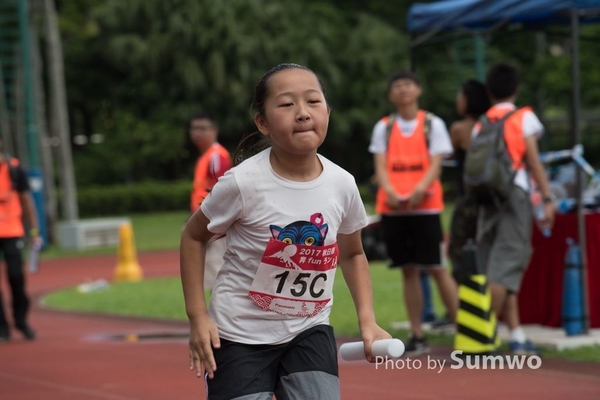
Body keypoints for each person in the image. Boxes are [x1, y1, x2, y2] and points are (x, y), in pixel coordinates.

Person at [180, 63, 391, 399]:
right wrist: (197, 316)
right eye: (286, 104)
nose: (303, 113)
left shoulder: (342, 184)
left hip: (309, 329)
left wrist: (368, 320)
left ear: (328, 112)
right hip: (238, 335)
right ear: (262, 122)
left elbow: (351, 253)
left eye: (313, 101)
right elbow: (193, 237)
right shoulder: (243, 183)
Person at [369, 70, 457, 355]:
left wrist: (420, 189)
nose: (403, 90)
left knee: (437, 268)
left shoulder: (433, 124)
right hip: (394, 210)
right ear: (390, 95)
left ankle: (465, 331)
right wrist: (391, 192)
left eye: (408, 84)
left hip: (426, 208)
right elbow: (380, 166)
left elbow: (436, 163)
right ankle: (417, 333)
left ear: (418, 90)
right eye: (397, 86)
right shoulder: (384, 127)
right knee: (408, 271)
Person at [474, 62, 555, 355]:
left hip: (487, 198)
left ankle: (516, 333)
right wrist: (546, 197)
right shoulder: (524, 117)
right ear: (516, 88)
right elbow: (532, 160)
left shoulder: (483, 120)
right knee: (507, 264)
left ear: (489, 91)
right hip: (514, 194)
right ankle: (482, 337)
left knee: (496, 263)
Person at [447, 79, 491, 285]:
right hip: (493, 199)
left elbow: (449, 155)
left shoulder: (460, 129)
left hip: (468, 201)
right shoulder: (493, 127)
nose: (458, 100)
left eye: (460, 95)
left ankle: (463, 305)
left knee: (459, 252)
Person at [0, 140, 42, 342]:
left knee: (16, 276)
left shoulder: (14, 169)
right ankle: (2, 327)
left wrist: (34, 230)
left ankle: (21, 320)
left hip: (12, 231)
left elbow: (26, 200)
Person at [188, 111, 232, 290]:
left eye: (202, 128)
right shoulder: (206, 156)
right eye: (194, 128)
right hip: (204, 218)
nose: (197, 133)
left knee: (214, 268)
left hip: (211, 221)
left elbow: (219, 189)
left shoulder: (215, 156)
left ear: (214, 130)